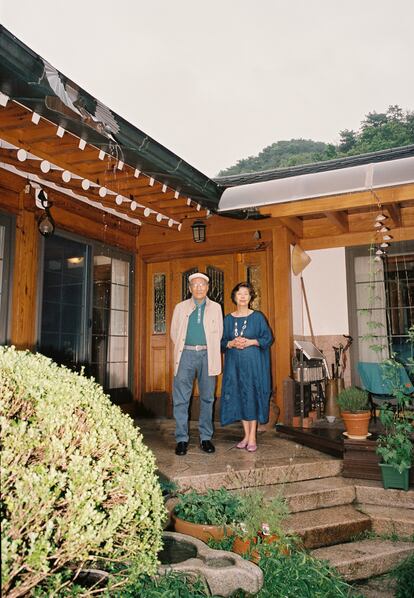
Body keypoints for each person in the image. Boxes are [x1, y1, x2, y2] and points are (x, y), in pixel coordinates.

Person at [170, 272, 223, 456]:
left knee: (208, 397)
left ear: (208, 288)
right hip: (186, 354)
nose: (199, 287)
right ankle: (181, 439)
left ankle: (205, 437)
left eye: (202, 284)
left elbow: (220, 333)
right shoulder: (180, 307)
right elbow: (174, 333)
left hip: (207, 354)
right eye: (195, 284)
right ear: (190, 288)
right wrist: (186, 348)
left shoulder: (216, 308)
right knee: (181, 399)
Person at [220, 282, 273, 451]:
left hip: (253, 365)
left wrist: (250, 341)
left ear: (250, 298)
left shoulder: (258, 317)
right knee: (239, 397)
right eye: (239, 293)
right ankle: (245, 434)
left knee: (252, 396)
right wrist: (231, 343)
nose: (243, 296)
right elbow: (220, 342)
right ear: (234, 297)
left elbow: (267, 338)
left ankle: (252, 437)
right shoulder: (227, 319)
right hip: (234, 366)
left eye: (246, 294)